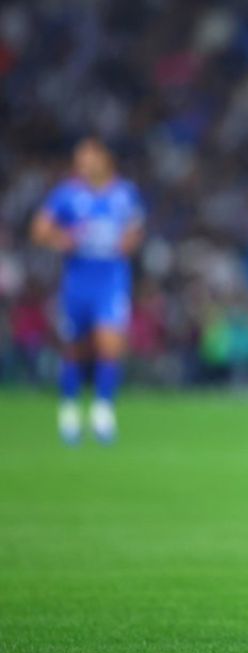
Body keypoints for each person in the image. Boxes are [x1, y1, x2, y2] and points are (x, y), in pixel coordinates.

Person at [32, 137, 145, 444]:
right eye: (78, 159)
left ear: (103, 159)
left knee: (109, 344)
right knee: (75, 350)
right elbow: (40, 230)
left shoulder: (124, 194)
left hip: (110, 282)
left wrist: (126, 243)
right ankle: (68, 412)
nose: (82, 165)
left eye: (87, 158)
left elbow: (134, 232)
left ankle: (102, 413)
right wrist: (61, 239)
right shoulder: (67, 195)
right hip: (77, 282)